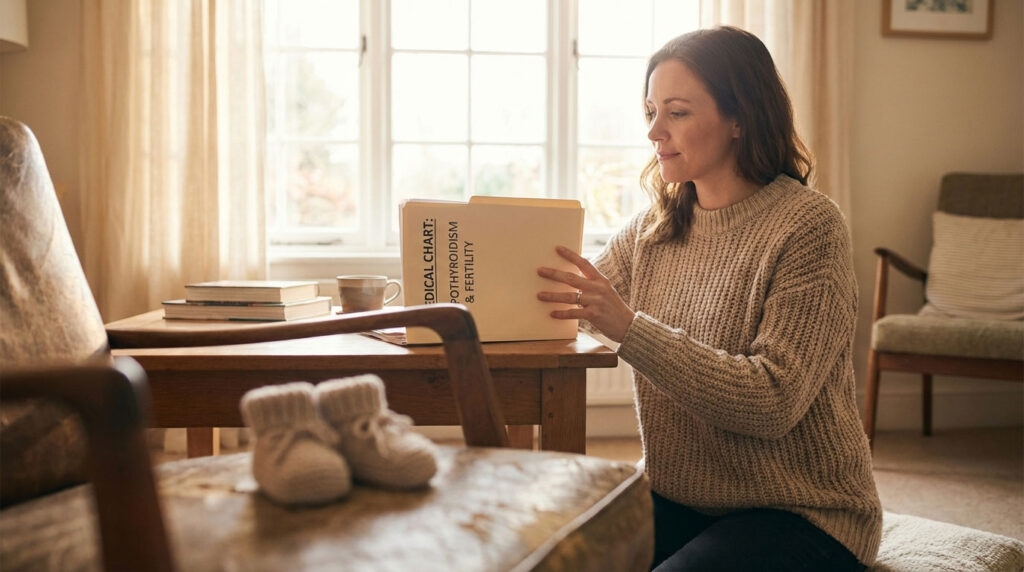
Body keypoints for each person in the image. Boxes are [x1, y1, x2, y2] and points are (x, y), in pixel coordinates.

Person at [537, 26, 881, 570]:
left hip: (802, 513)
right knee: (545, 554)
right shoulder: (653, 229)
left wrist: (630, 328)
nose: (654, 131)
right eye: (651, 110)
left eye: (676, 112)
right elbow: (558, 306)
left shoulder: (810, 227)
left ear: (739, 118)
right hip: (679, 499)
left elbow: (774, 400)